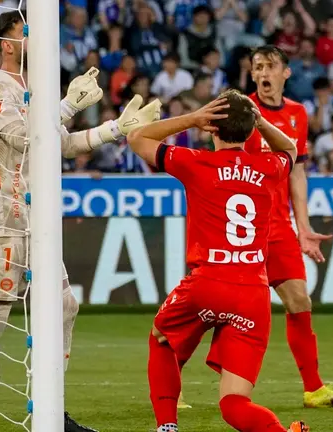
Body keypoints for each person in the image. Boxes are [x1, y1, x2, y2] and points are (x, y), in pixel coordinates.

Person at [0, 11, 161, 432]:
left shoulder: (32, 94)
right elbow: (28, 138)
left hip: (34, 219)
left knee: (65, 305)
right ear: (8, 45)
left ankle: (50, 411)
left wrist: (116, 128)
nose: (38, 41)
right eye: (27, 33)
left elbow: (62, 144)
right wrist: (66, 105)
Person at [128, 90, 308, 432]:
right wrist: (261, 122)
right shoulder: (269, 167)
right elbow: (291, 149)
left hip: (208, 283)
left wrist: (193, 118)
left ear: (212, 128)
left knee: (162, 337)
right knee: (233, 404)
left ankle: (167, 427)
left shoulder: (194, 162)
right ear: (252, 129)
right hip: (254, 295)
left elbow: (137, 137)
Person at [246, 45, 333, 408]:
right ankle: (172, 374)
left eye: (270, 66)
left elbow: (297, 171)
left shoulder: (298, 114)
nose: (263, 73)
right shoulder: (239, 109)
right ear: (252, 75)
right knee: (221, 307)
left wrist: (303, 226)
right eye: (257, 67)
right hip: (243, 225)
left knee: (299, 300)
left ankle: (314, 389)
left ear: (286, 73)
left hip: (278, 225)